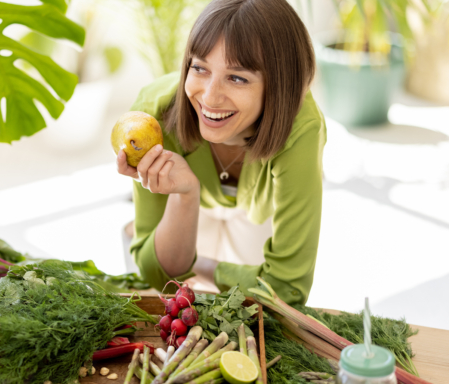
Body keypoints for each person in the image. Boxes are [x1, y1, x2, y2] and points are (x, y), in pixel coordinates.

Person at [116, 0, 325, 304]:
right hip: (195, 203)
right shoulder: (154, 115)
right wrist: (185, 195)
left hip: (258, 209)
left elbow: (287, 289)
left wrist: (203, 267)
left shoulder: (301, 126)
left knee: (260, 311)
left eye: (237, 77)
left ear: (280, 85)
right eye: (199, 68)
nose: (210, 97)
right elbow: (156, 276)